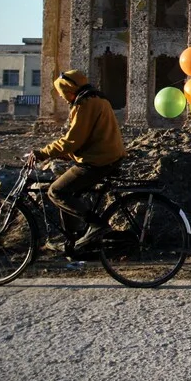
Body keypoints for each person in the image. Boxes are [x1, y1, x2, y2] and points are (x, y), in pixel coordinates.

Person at [29, 69, 126, 248]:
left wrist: (43, 152)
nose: (64, 98)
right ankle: (73, 240)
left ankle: (96, 225)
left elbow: (72, 140)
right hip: (107, 155)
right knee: (69, 192)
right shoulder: (98, 98)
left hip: (98, 161)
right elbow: (89, 137)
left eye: (63, 93)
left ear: (69, 90)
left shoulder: (84, 104)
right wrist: (66, 154)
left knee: (56, 191)